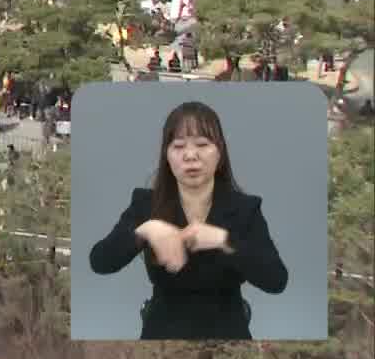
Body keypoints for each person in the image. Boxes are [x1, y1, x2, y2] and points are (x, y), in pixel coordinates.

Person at [86, 100, 289, 339]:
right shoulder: (146, 204)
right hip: (161, 335)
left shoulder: (245, 209)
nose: (190, 156)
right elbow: (100, 262)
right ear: (167, 156)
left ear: (220, 153)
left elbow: (276, 280)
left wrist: (225, 241)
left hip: (228, 336)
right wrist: (144, 231)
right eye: (179, 146)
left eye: (202, 145)